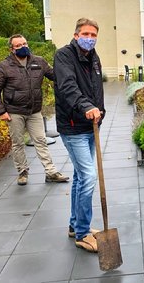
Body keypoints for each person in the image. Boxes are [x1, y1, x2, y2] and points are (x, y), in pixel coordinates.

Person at [53, 18, 105, 253]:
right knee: (88, 177)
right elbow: (67, 87)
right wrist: (86, 107)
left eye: (94, 34)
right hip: (73, 125)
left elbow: (96, 89)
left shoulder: (94, 58)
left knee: (79, 177)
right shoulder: (64, 56)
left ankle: (76, 225)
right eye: (86, 34)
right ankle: (83, 233)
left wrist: (99, 110)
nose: (90, 38)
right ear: (75, 35)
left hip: (91, 125)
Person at [0, 34, 69, 186]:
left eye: (24, 43)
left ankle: (51, 172)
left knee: (41, 141)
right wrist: (1, 111)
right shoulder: (4, 66)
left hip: (34, 111)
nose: (23, 47)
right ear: (12, 49)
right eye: (18, 46)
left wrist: (69, 71)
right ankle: (22, 172)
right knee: (18, 143)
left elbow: (55, 76)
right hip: (14, 112)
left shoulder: (39, 62)